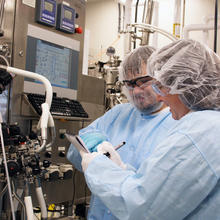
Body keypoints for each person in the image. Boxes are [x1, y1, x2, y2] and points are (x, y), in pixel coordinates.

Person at [79, 39, 220, 220]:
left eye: (160, 86)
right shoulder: (211, 125)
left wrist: (97, 167)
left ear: (185, 86)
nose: (161, 97)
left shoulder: (198, 132)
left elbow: (141, 207)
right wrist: (121, 169)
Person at [67, 45, 177, 219]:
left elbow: (161, 192)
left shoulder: (177, 121)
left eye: (143, 81)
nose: (136, 91)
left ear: (161, 78)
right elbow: (74, 152)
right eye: (130, 84)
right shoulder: (119, 113)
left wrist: (120, 171)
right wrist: (91, 147)